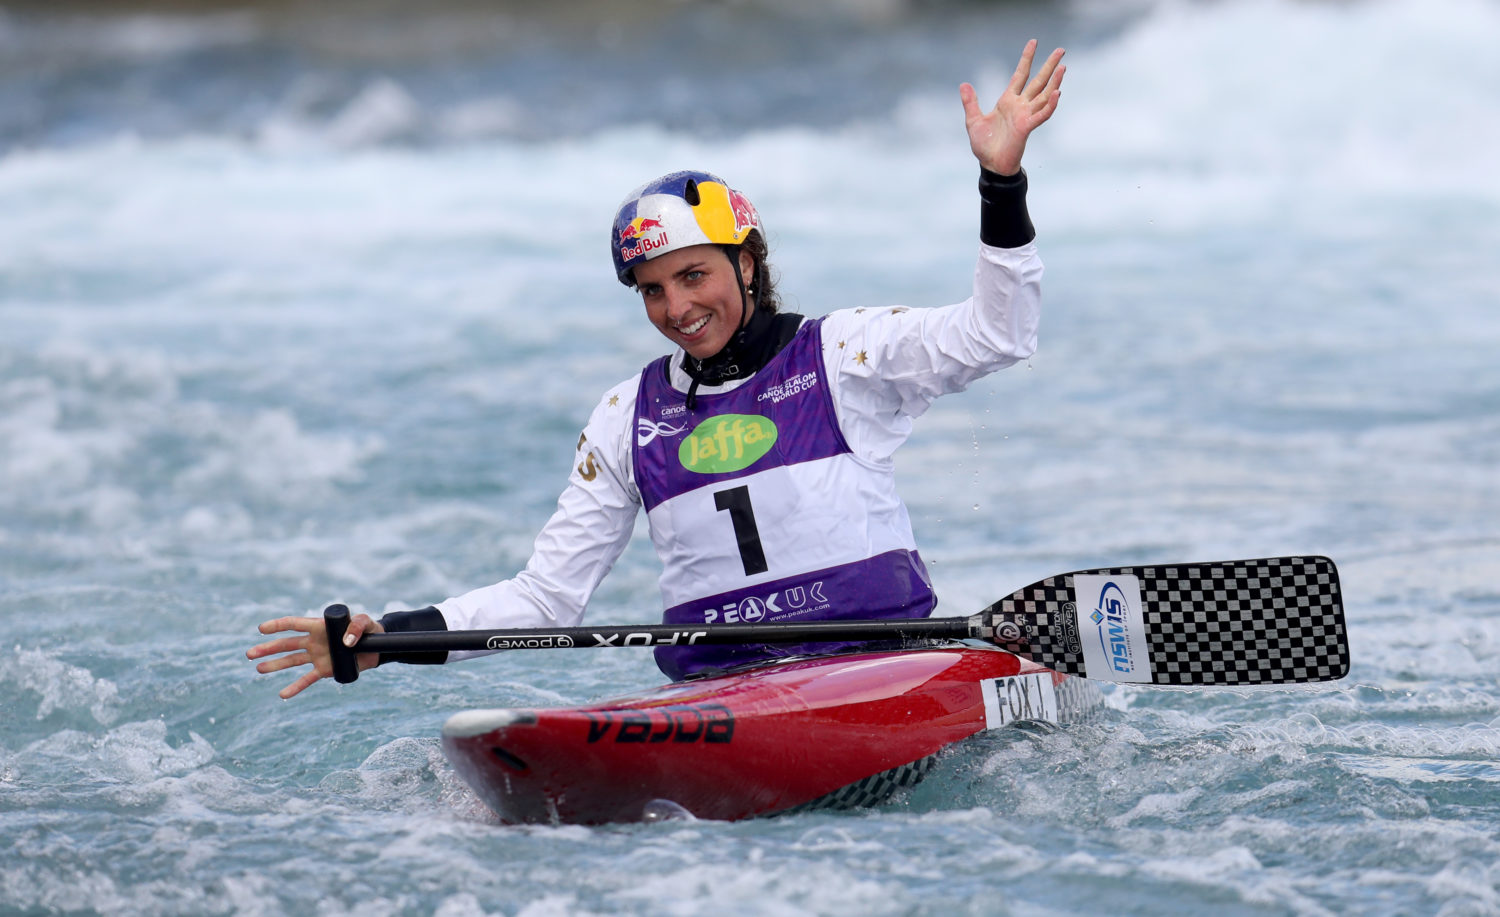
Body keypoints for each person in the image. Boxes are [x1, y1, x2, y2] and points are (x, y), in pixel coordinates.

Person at [249, 40, 1067, 699]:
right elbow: (546, 598)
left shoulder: (844, 353)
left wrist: (1001, 180)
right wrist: (386, 639)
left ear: (748, 263)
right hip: (722, 695)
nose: (677, 307)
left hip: (880, 672)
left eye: (693, 275)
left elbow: (997, 334)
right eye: (651, 290)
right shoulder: (627, 416)